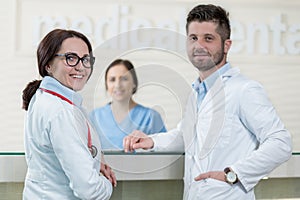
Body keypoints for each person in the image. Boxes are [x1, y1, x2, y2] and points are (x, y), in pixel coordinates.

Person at [123, 4, 292, 200]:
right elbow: (186, 135)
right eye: (193, 38)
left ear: (226, 45)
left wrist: (234, 173)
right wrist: (152, 141)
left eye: (208, 38)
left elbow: (280, 142)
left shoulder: (245, 90)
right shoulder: (196, 93)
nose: (199, 45)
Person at [22, 29, 116, 200]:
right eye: (70, 58)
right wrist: (106, 183)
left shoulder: (43, 98)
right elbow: (89, 190)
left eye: (86, 59)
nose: (80, 67)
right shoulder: (61, 111)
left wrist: (94, 163)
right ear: (48, 64)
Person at [90, 59, 166, 150]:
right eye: (112, 80)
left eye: (124, 79)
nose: (118, 85)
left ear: (134, 83)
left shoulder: (151, 117)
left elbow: (164, 150)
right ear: (106, 85)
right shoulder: (94, 117)